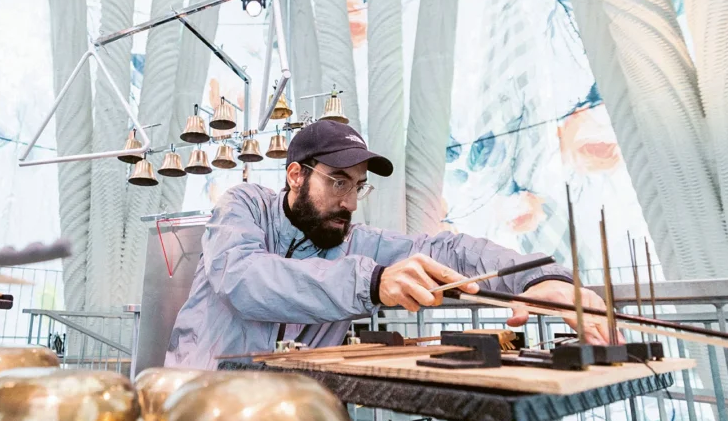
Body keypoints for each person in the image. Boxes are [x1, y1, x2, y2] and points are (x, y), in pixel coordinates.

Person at [166, 120, 612, 370]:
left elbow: (446, 250)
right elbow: (244, 279)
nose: (349, 201)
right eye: (338, 181)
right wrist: (373, 282)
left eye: (359, 186)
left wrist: (538, 278)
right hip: (197, 403)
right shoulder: (243, 205)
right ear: (295, 175)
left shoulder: (353, 240)